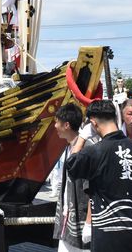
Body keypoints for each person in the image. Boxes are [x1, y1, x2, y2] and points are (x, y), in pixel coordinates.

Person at [66, 100, 132, 252]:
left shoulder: (95, 151)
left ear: (93, 123)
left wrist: (82, 138)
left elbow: (71, 166)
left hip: (110, 230)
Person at [52, 104, 91, 252]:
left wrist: (89, 223)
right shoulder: (68, 147)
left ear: (66, 125)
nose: (55, 126)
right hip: (67, 215)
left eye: (57, 122)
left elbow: (92, 189)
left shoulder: (87, 149)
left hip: (81, 217)